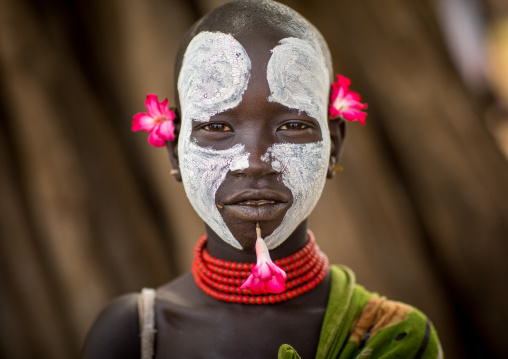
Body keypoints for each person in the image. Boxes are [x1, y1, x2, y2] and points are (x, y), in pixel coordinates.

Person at [82, 1, 443, 358]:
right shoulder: (131, 334)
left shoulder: (392, 336)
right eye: (216, 127)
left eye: (292, 126)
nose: (254, 163)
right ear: (174, 151)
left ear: (334, 144)